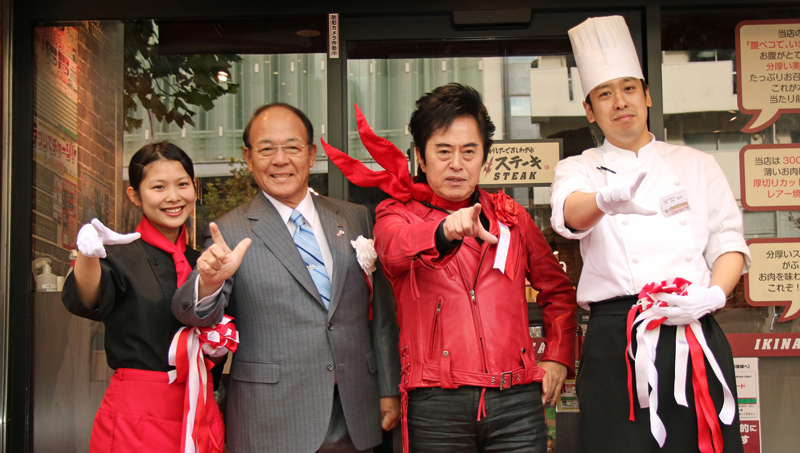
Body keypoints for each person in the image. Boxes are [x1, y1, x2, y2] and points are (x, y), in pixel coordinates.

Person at [321, 83, 578, 453]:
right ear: (421, 159)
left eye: (469, 151)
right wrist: (444, 231)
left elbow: (558, 291)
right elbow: (392, 251)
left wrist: (556, 357)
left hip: (517, 401)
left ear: (485, 159)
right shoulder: (396, 213)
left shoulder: (512, 217)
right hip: (436, 403)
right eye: (443, 151)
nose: (456, 164)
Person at [550, 16, 751, 453]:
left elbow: (729, 243)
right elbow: (569, 214)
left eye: (628, 88)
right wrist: (606, 199)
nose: (619, 102)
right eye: (604, 93)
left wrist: (714, 296)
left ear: (647, 95)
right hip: (615, 339)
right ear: (589, 109)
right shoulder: (578, 168)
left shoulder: (697, 164)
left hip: (693, 328)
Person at [172, 103, 401, 453]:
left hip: (355, 409)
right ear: (248, 158)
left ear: (311, 155)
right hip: (271, 416)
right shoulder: (230, 229)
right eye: (266, 149)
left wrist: (388, 387)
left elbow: (382, 314)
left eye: (292, 147)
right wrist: (209, 282)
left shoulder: (355, 218)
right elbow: (191, 313)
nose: (280, 160)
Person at [62, 142, 228, 453]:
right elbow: (85, 298)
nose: (173, 197)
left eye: (182, 185)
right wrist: (88, 257)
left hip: (201, 408)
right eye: (158, 187)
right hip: (136, 414)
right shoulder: (118, 255)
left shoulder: (204, 261)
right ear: (134, 195)